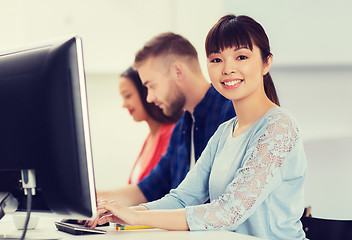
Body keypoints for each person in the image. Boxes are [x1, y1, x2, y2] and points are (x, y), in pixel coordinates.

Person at [92, 14, 307, 239]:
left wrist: (136, 218)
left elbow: (228, 212)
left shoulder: (279, 126)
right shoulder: (225, 132)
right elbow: (182, 198)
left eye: (241, 56)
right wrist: (120, 214)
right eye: (216, 60)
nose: (227, 69)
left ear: (266, 63)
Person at [96, 33, 235, 207]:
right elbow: (147, 190)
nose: (149, 98)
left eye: (151, 85)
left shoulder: (230, 113)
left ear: (178, 71)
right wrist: (93, 198)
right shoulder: (181, 128)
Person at [118, 67, 178, 184]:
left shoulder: (171, 134)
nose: (124, 105)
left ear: (146, 92)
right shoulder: (150, 137)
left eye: (128, 96)